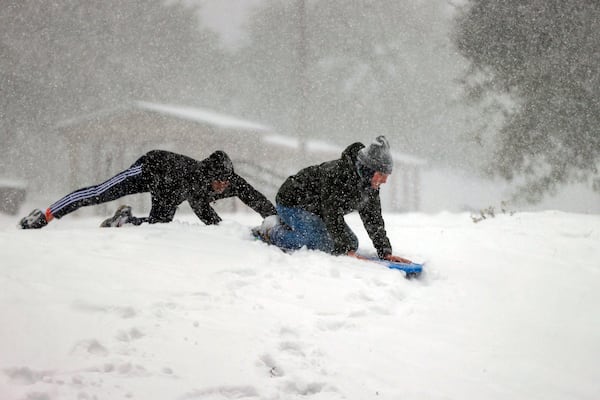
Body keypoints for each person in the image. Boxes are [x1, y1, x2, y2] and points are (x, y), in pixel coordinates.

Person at [19, 150, 277, 229]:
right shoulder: (196, 179)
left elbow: (255, 198)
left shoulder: (231, 181)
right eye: (219, 181)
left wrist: (274, 220)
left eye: (227, 181)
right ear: (209, 176)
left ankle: (125, 221)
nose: (224, 186)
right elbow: (203, 211)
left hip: (168, 189)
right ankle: (46, 214)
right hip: (149, 170)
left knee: (160, 224)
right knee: (101, 193)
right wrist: (224, 231)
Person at [253, 136, 412, 263]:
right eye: (382, 175)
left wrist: (385, 252)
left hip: (318, 210)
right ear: (370, 169)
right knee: (312, 241)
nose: (385, 180)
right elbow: (332, 213)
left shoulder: (370, 186)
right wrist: (344, 250)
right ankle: (270, 230)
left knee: (352, 243)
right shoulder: (337, 174)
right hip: (292, 202)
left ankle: (291, 226)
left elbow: (373, 218)